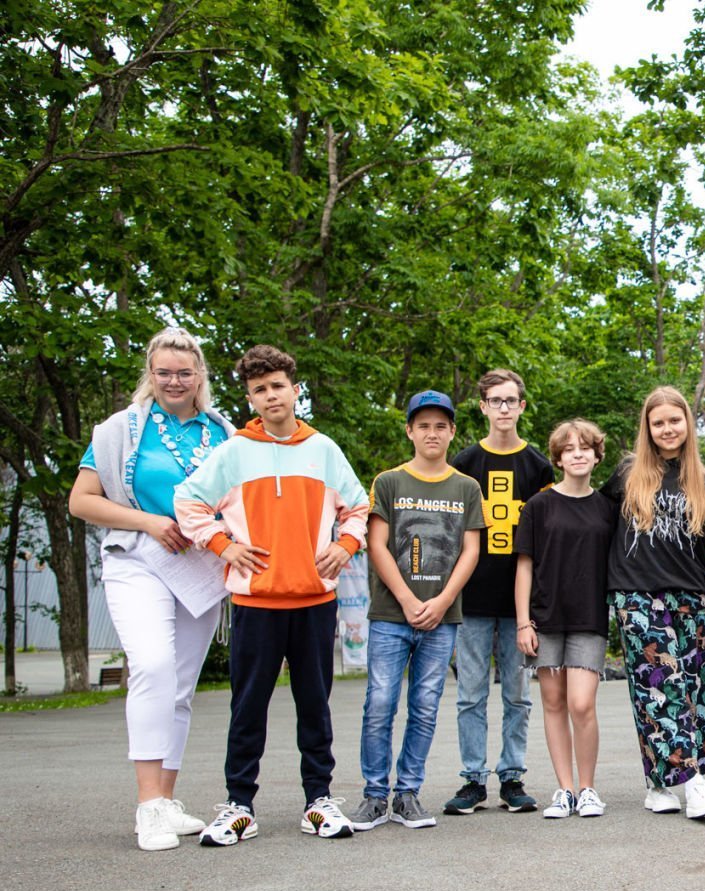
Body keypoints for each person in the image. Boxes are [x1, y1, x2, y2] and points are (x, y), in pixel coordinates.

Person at [174, 344, 370, 845]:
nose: (270, 395)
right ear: (250, 399)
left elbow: (358, 506)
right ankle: (239, 805)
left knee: (315, 706)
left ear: (295, 390)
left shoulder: (323, 450)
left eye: (278, 385)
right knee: (248, 707)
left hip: (314, 600)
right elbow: (188, 502)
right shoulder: (234, 452)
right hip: (255, 602)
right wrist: (223, 544)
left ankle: (318, 801)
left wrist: (345, 545)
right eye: (259, 389)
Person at [70, 327, 238, 851]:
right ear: (150, 373)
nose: (174, 381)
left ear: (200, 375)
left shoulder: (224, 433)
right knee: (153, 666)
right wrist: (149, 522)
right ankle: (147, 807)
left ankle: (166, 800)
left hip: (200, 566)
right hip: (139, 558)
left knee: (181, 686)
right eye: (164, 372)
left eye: (184, 373)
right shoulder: (120, 430)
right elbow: (81, 500)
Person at [350, 392, 485, 832]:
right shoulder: (389, 482)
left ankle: (407, 794)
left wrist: (442, 601)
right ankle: (375, 795)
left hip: (441, 619)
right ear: (409, 430)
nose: (432, 433)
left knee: (425, 706)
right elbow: (376, 545)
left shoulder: (466, 487)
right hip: (392, 616)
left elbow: (470, 550)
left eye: (440, 426)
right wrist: (407, 600)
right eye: (423, 425)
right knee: (380, 703)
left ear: (451, 432)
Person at [604, 386, 705, 819]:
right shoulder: (627, 473)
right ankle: (694, 784)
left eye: (675, 420)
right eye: (658, 423)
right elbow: (597, 528)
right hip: (637, 592)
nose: (667, 429)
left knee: (691, 689)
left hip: (690, 594)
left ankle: (658, 785)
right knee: (660, 685)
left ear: (687, 423)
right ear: (648, 427)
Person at [445, 369, 555, 815]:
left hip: (519, 605)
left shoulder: (538, 467)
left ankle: (512, 777)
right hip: (472, 599)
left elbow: (547, 536)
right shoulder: (465, 463)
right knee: (470, 694)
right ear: (483, 407)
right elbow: (451, 531)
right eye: (496, 401)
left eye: (511, 400)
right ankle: (473, 780)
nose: (504, 408)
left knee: (517, 695)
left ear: (522, 406)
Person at [516, 419, 617, 819]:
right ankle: (565, 790)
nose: (577, 454)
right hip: (545, 619)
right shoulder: (538, 506)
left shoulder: (607, 508)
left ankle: (588, 788)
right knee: (553, 702)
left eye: (585, 448)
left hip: (589, 619)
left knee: (581, 703)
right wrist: (523, 622)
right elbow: (524, 567)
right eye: (569, 449)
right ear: (558, 458)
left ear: (596, 455)